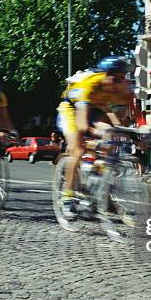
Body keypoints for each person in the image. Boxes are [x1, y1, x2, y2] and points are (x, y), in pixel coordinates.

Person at [56, 56, 135, 216]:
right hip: (72, 108)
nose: (120, 82)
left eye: (122, 78)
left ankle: (100, 187)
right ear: (104, 76)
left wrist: (131, 133)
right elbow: (83, 125)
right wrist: (98, 134)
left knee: (111, 136)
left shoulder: (123, 89)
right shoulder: (89, 84)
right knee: (77, 151)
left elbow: (119, 118)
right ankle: (67, 197)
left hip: (98, 107)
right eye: (115, 79)